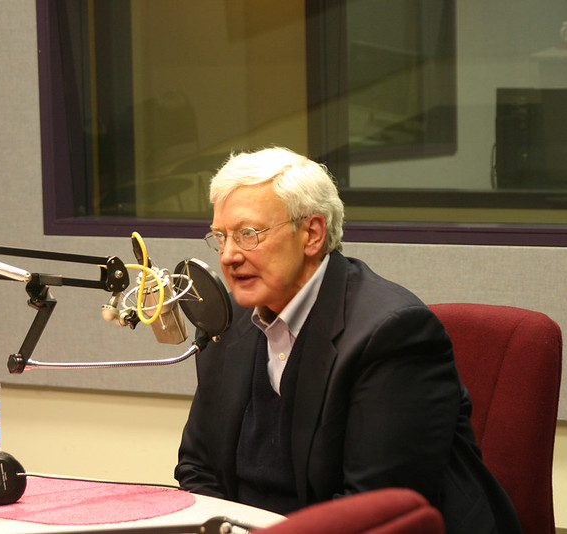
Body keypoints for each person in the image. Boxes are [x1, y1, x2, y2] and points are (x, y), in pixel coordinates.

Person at [174, 147, 522, 533]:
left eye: (247, 234)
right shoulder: (228, 322)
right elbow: (198, 466)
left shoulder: (393, 333)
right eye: (220, 236)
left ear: (311, 233)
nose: (228, 256)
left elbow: (374, 508)